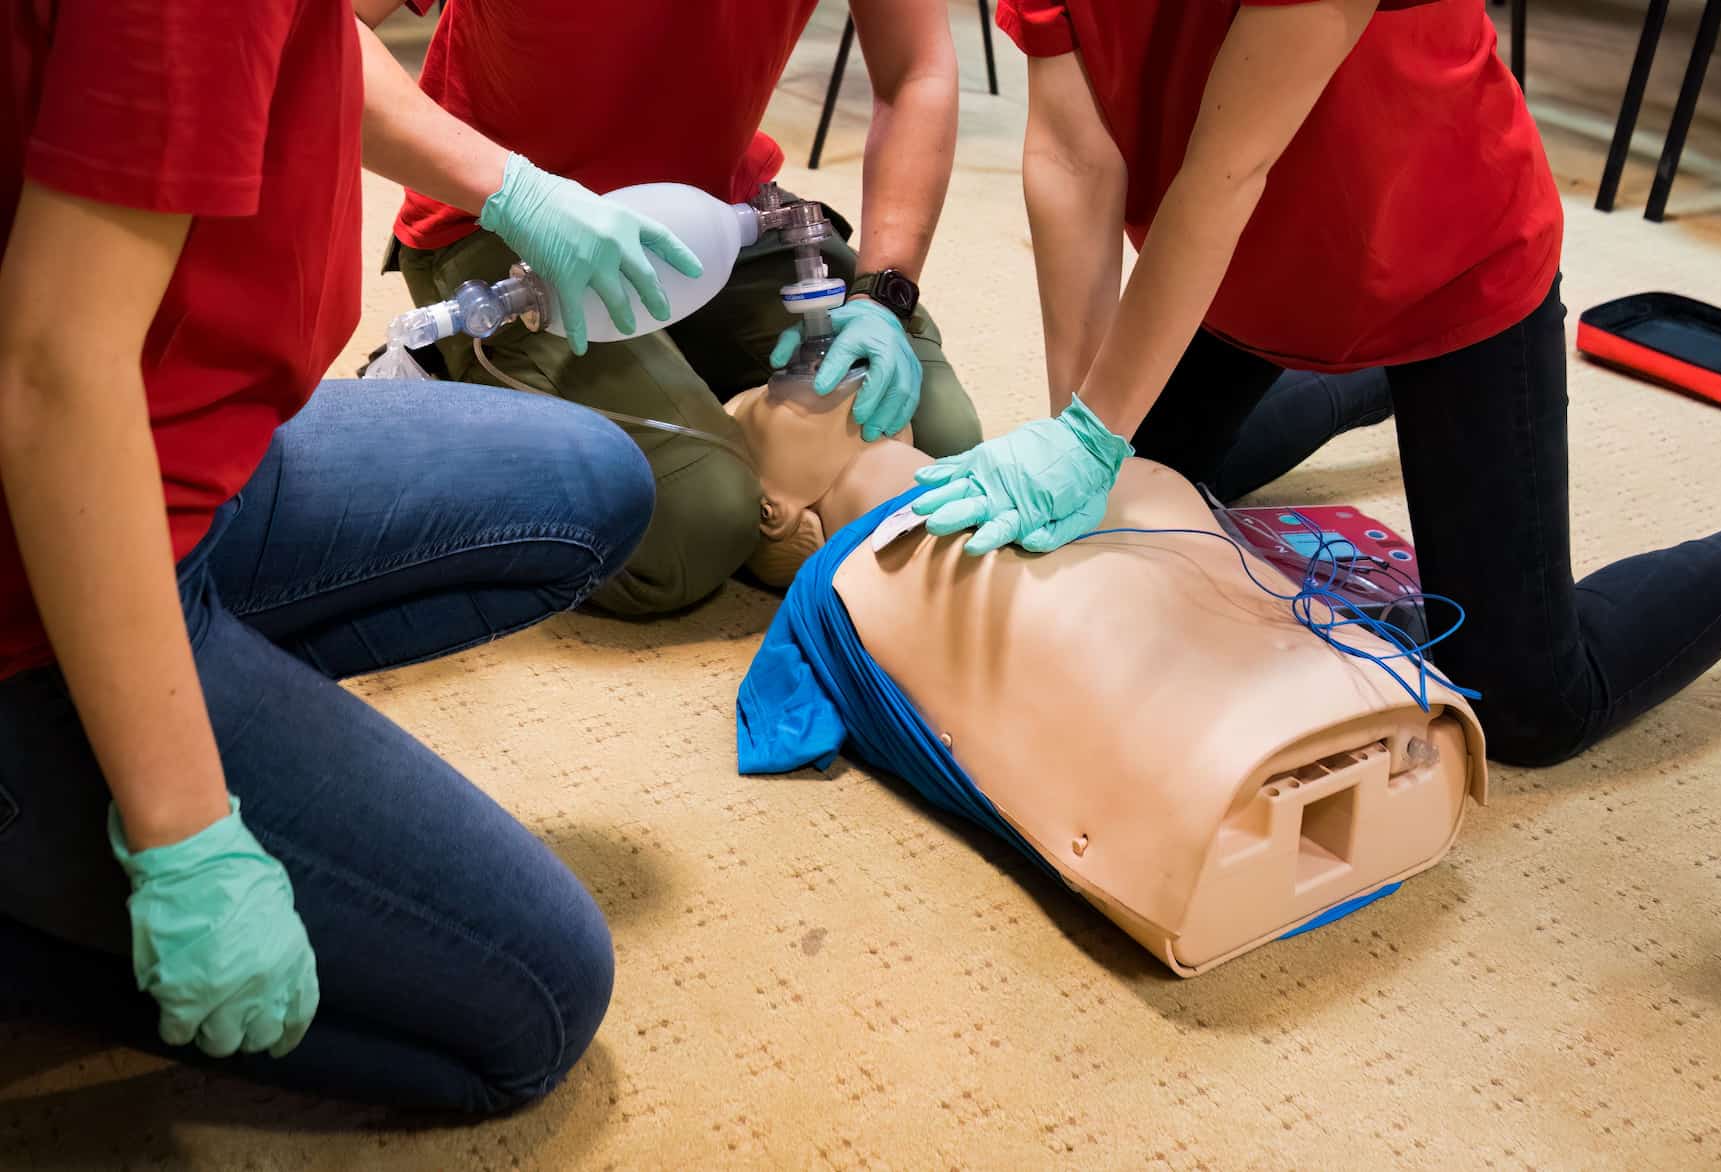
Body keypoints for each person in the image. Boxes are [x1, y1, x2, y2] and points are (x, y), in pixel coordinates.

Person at [0, 0, 713, 1112]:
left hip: (202, 453)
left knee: (592, 484)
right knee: (535, 1003)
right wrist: (186, 835)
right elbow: (50, 379)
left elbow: (306, 38)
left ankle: (194, 718)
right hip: (43, 558)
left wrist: (515, 190)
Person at [912, 0, 1721, 766]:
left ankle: (1416, 376)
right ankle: (1371, 382)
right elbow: (1072, 157)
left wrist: (1097, 434)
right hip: (1229, 277)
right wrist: (1082, 432)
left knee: (1530, 705)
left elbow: (1229, 167)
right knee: (1141, 488)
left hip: (1447, 273)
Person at [726, 377, 1485, 975]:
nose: (796, 374)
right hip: (1214, 805)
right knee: (1070, 617)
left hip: (1312, 732)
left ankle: (1375, 380)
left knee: (1160, 504)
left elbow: (786, 722)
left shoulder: (1067, 470)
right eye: (762, 396)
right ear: (776, 515)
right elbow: (783, 722)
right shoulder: (838, 588)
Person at [388, 0, 983, 616]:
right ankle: (443, 375)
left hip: (714, 215)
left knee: (942, 443)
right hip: (510, 227)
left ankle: (686, 390)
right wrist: (517, 194)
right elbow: (316, 30)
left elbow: (916, 70)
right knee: (694, 527)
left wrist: (882, 295)